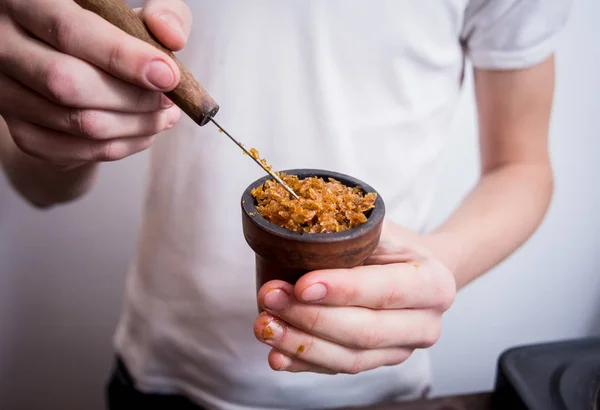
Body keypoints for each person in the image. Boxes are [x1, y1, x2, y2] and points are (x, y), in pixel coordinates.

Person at [0, 0, 572, 409]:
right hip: (163, 376)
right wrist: (57, 127)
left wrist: (439, 263)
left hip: (380, 387)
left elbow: (520, 167)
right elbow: (41, 185)